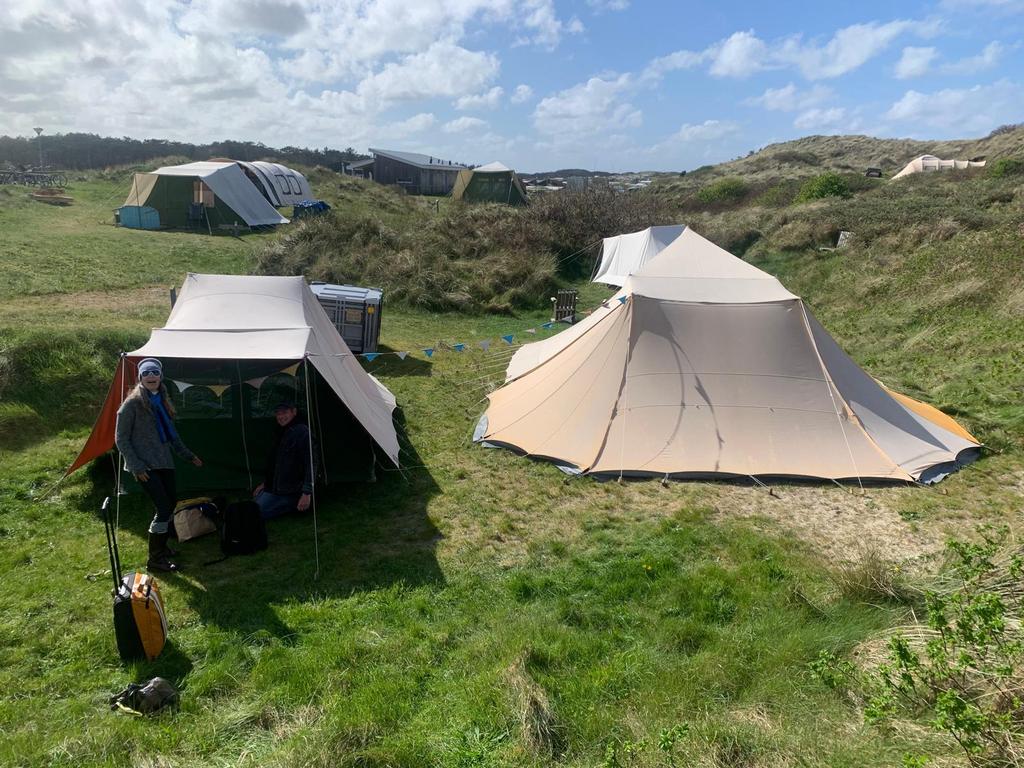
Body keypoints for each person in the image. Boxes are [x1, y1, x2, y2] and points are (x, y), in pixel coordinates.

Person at [114, 357, 202, 572]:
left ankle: (162, 548)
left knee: (170, 504)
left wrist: (189, 456)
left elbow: (173, 437)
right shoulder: (132, 404)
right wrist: (136, 466)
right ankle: (155, 559)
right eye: (147, 373)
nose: (151, 376)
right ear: (141, 378)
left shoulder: (162, 400)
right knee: (163, 508)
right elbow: (121, 438)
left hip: (164, 463)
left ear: (160, 376)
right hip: (145, 467)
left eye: (155, 372)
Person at [253, 401, 314, 520]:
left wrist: (306, 493)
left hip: (290, 490)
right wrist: (266, 483)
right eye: (278, 414)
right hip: (276, 487)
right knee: (252, 506)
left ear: (294, 412)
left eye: (285, 413)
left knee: (254, 514)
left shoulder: (302, 432)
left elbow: (311, 463)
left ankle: (294, 504)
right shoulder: (281, 431)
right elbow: (277, 463)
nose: (281, 417)